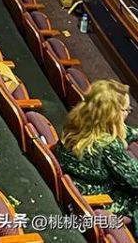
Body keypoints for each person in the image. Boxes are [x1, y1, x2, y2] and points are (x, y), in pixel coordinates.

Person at [56, 80, 138, 235]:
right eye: (126, 109)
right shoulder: (108, 145)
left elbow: (122, 131)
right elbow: (135, 179)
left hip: (76, 186)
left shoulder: (77, 121)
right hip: (98, 198)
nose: (128, 112)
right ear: (112, 114)